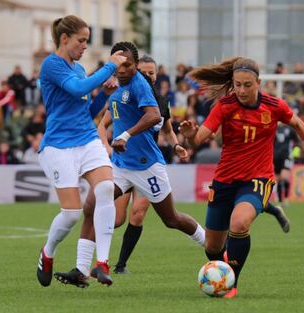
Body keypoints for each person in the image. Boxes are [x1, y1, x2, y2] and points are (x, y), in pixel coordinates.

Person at [178, 57, 304, 299]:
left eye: (247, 85)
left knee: (239, 223)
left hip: (258, 178)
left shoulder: (273, 105)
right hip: (224, 180)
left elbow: (298, 124)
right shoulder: (225, 105)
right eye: (237, 84)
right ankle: (222, 273)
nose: (241, 90)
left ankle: (231, 284)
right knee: (212, 246)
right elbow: (199, 139)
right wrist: (190, 136)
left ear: (258, 83)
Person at [54, 41, 205, 288]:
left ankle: (208, 240)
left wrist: (126, 135)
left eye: (127, 64)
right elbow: (103, 121)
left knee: (171, 219)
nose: (122, 69)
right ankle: (81, 270)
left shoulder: (140, 86)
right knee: (92, 205)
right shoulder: (115, 86)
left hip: (147, 167)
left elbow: (156, 117)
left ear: (135, 66)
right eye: (117, 64)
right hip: (120, 165)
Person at [36, 15, 126, 288]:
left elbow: (84, 107)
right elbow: (76, 89)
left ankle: (102, 263)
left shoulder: (78, 68)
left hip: (86, 139)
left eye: (87, 41)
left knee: (105, 189)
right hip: (58, 146)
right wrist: (110, 67)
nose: (85, 46)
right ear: (65, 39)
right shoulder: (52, 65)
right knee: (72, 213)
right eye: (82, 40)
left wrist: (103, 95)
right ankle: (48, 252)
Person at [109, 54, 188, 274]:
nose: (148, 75)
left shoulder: (161, 102)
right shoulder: (125, 95)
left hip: (147, 166)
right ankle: (95, 261)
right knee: (116, 219)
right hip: (124, 162)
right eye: (144, 71)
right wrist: (105, 144)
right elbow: (105, 123)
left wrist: (176, 146)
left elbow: (168, 129)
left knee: (138, 213)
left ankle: (120, 265)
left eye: (152, 72)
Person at [273, 122, 298, 207]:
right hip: (275, 158)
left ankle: (286, 199)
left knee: (285, 178)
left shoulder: (290, 129)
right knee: (278, 180)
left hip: (286, 157)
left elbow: (297, 142)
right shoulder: (273, 128)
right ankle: (280, 201)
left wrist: (295, 153)